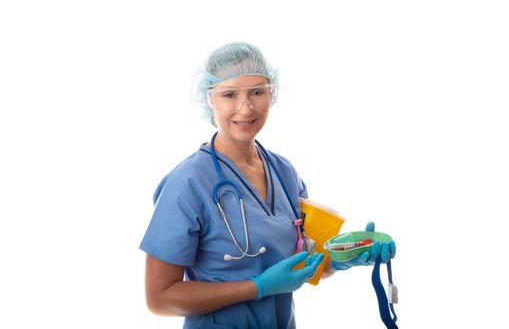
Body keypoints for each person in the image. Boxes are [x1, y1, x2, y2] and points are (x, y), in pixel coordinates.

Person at [139, 42, 396, 329]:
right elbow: (159, 297)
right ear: (210, 99)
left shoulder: (283, 172)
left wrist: (343, 256)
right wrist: (257, 287)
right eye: (229, 94)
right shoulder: (187, 184)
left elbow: (304, 262)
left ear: (271, 94)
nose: (246, 107)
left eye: (257, 92)